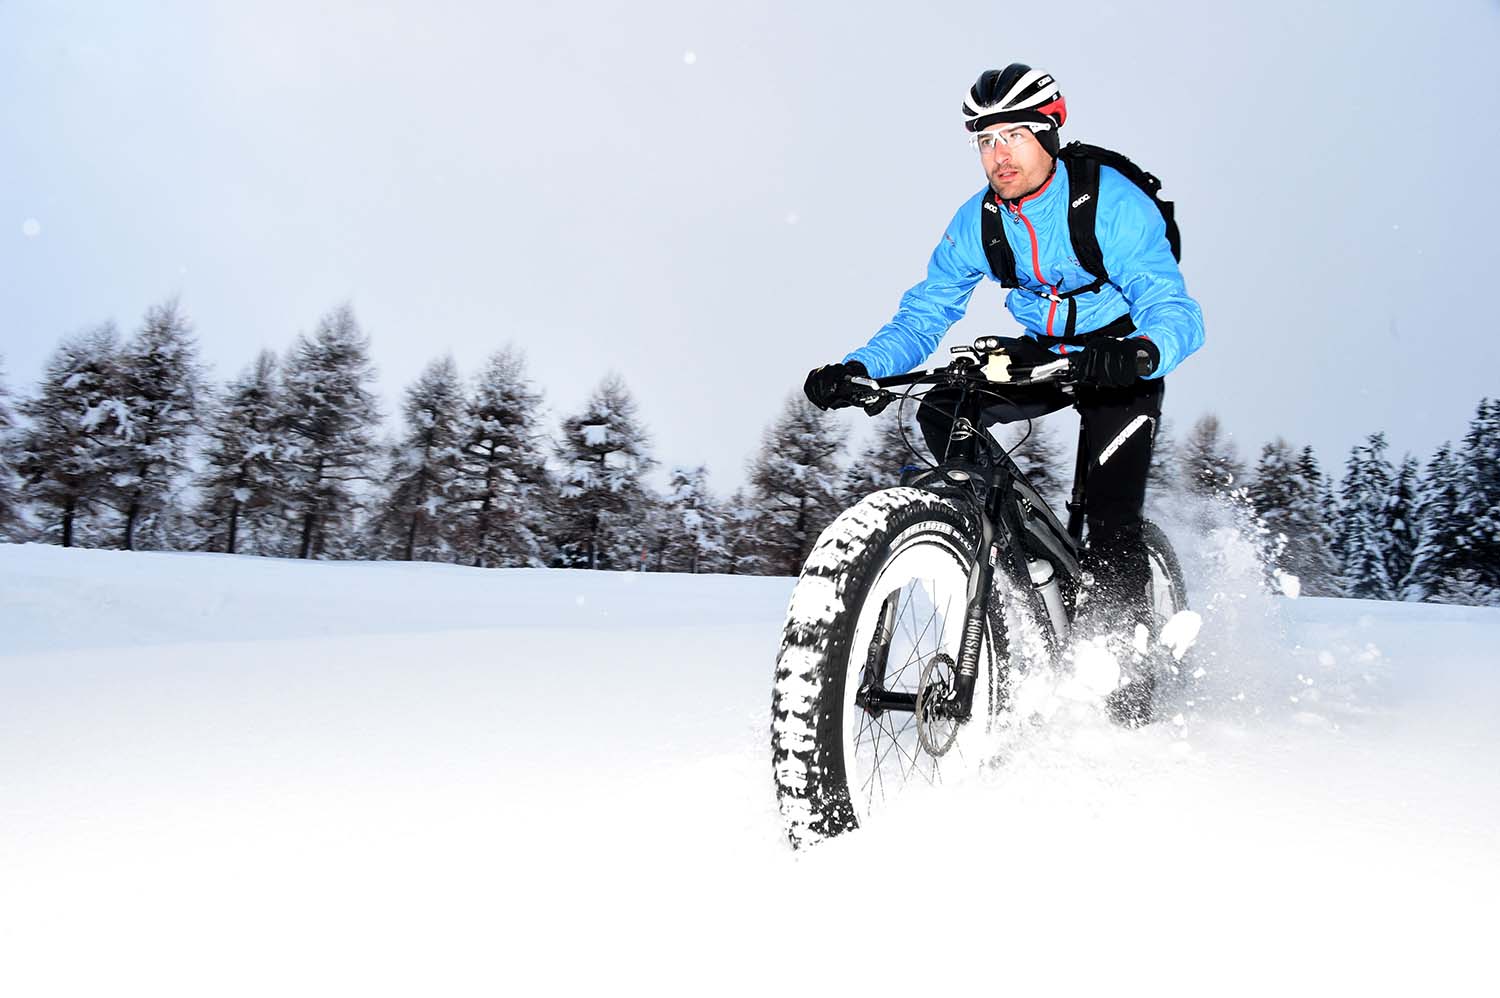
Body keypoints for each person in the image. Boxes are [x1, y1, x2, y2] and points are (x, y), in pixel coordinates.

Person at [803, 63, 1204, 645]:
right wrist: (863, 368)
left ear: (1048, 134)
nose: (998, 156)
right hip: (1042, 352)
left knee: (1113, 525)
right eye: (985, 141)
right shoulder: (979, 221)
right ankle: (1023, 556)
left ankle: (1132, 684)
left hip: (1118, 358)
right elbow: (925, 312)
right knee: (943, 410)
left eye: (1013, 135)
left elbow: (1174, 309)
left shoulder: (1110, 205)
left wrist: (1141, 352)